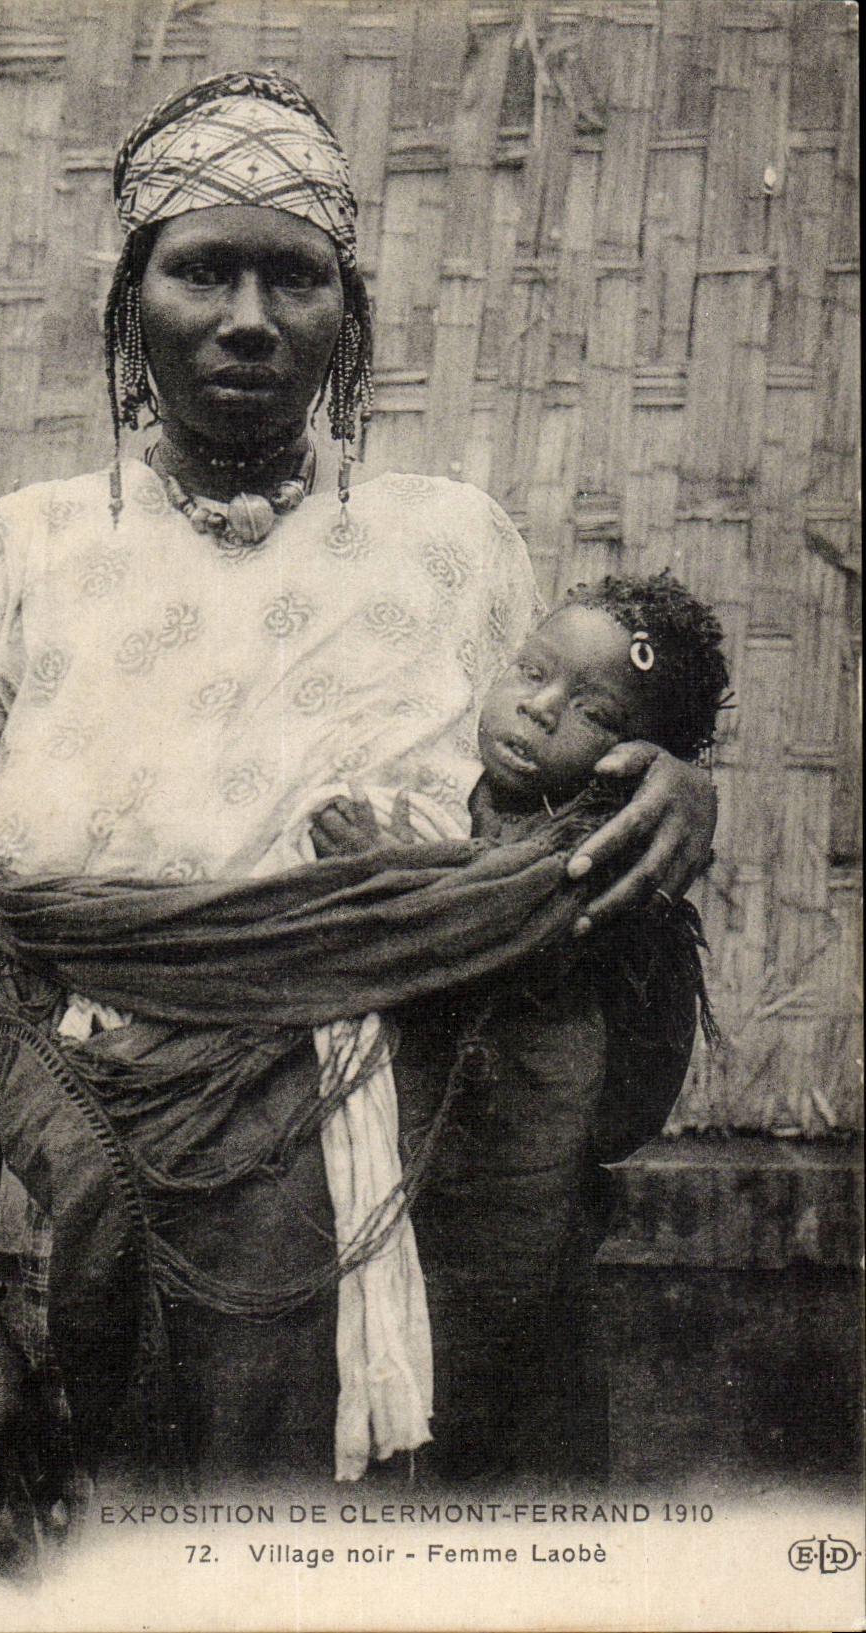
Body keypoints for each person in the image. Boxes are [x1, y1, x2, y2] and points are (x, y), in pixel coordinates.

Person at [0, 71, 718, 1573]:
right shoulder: (12, 558)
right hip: (136, 1187)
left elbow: (539, 815)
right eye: (202, 266)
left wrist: (675, 784)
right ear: (128, 294)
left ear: (353, 306)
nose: (250, 316)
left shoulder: (450, 542)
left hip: (452, 1196)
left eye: (297, 273)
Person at [310, 572, 729, 1480]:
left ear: (642, 760)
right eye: (530, 671)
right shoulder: (436, 798)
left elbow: (501, 924)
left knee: (512, 1453)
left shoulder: (607, 860)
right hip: (405, 1188)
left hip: (525, 1217)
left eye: (596, 713)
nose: (538, 709)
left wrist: (397, 884)